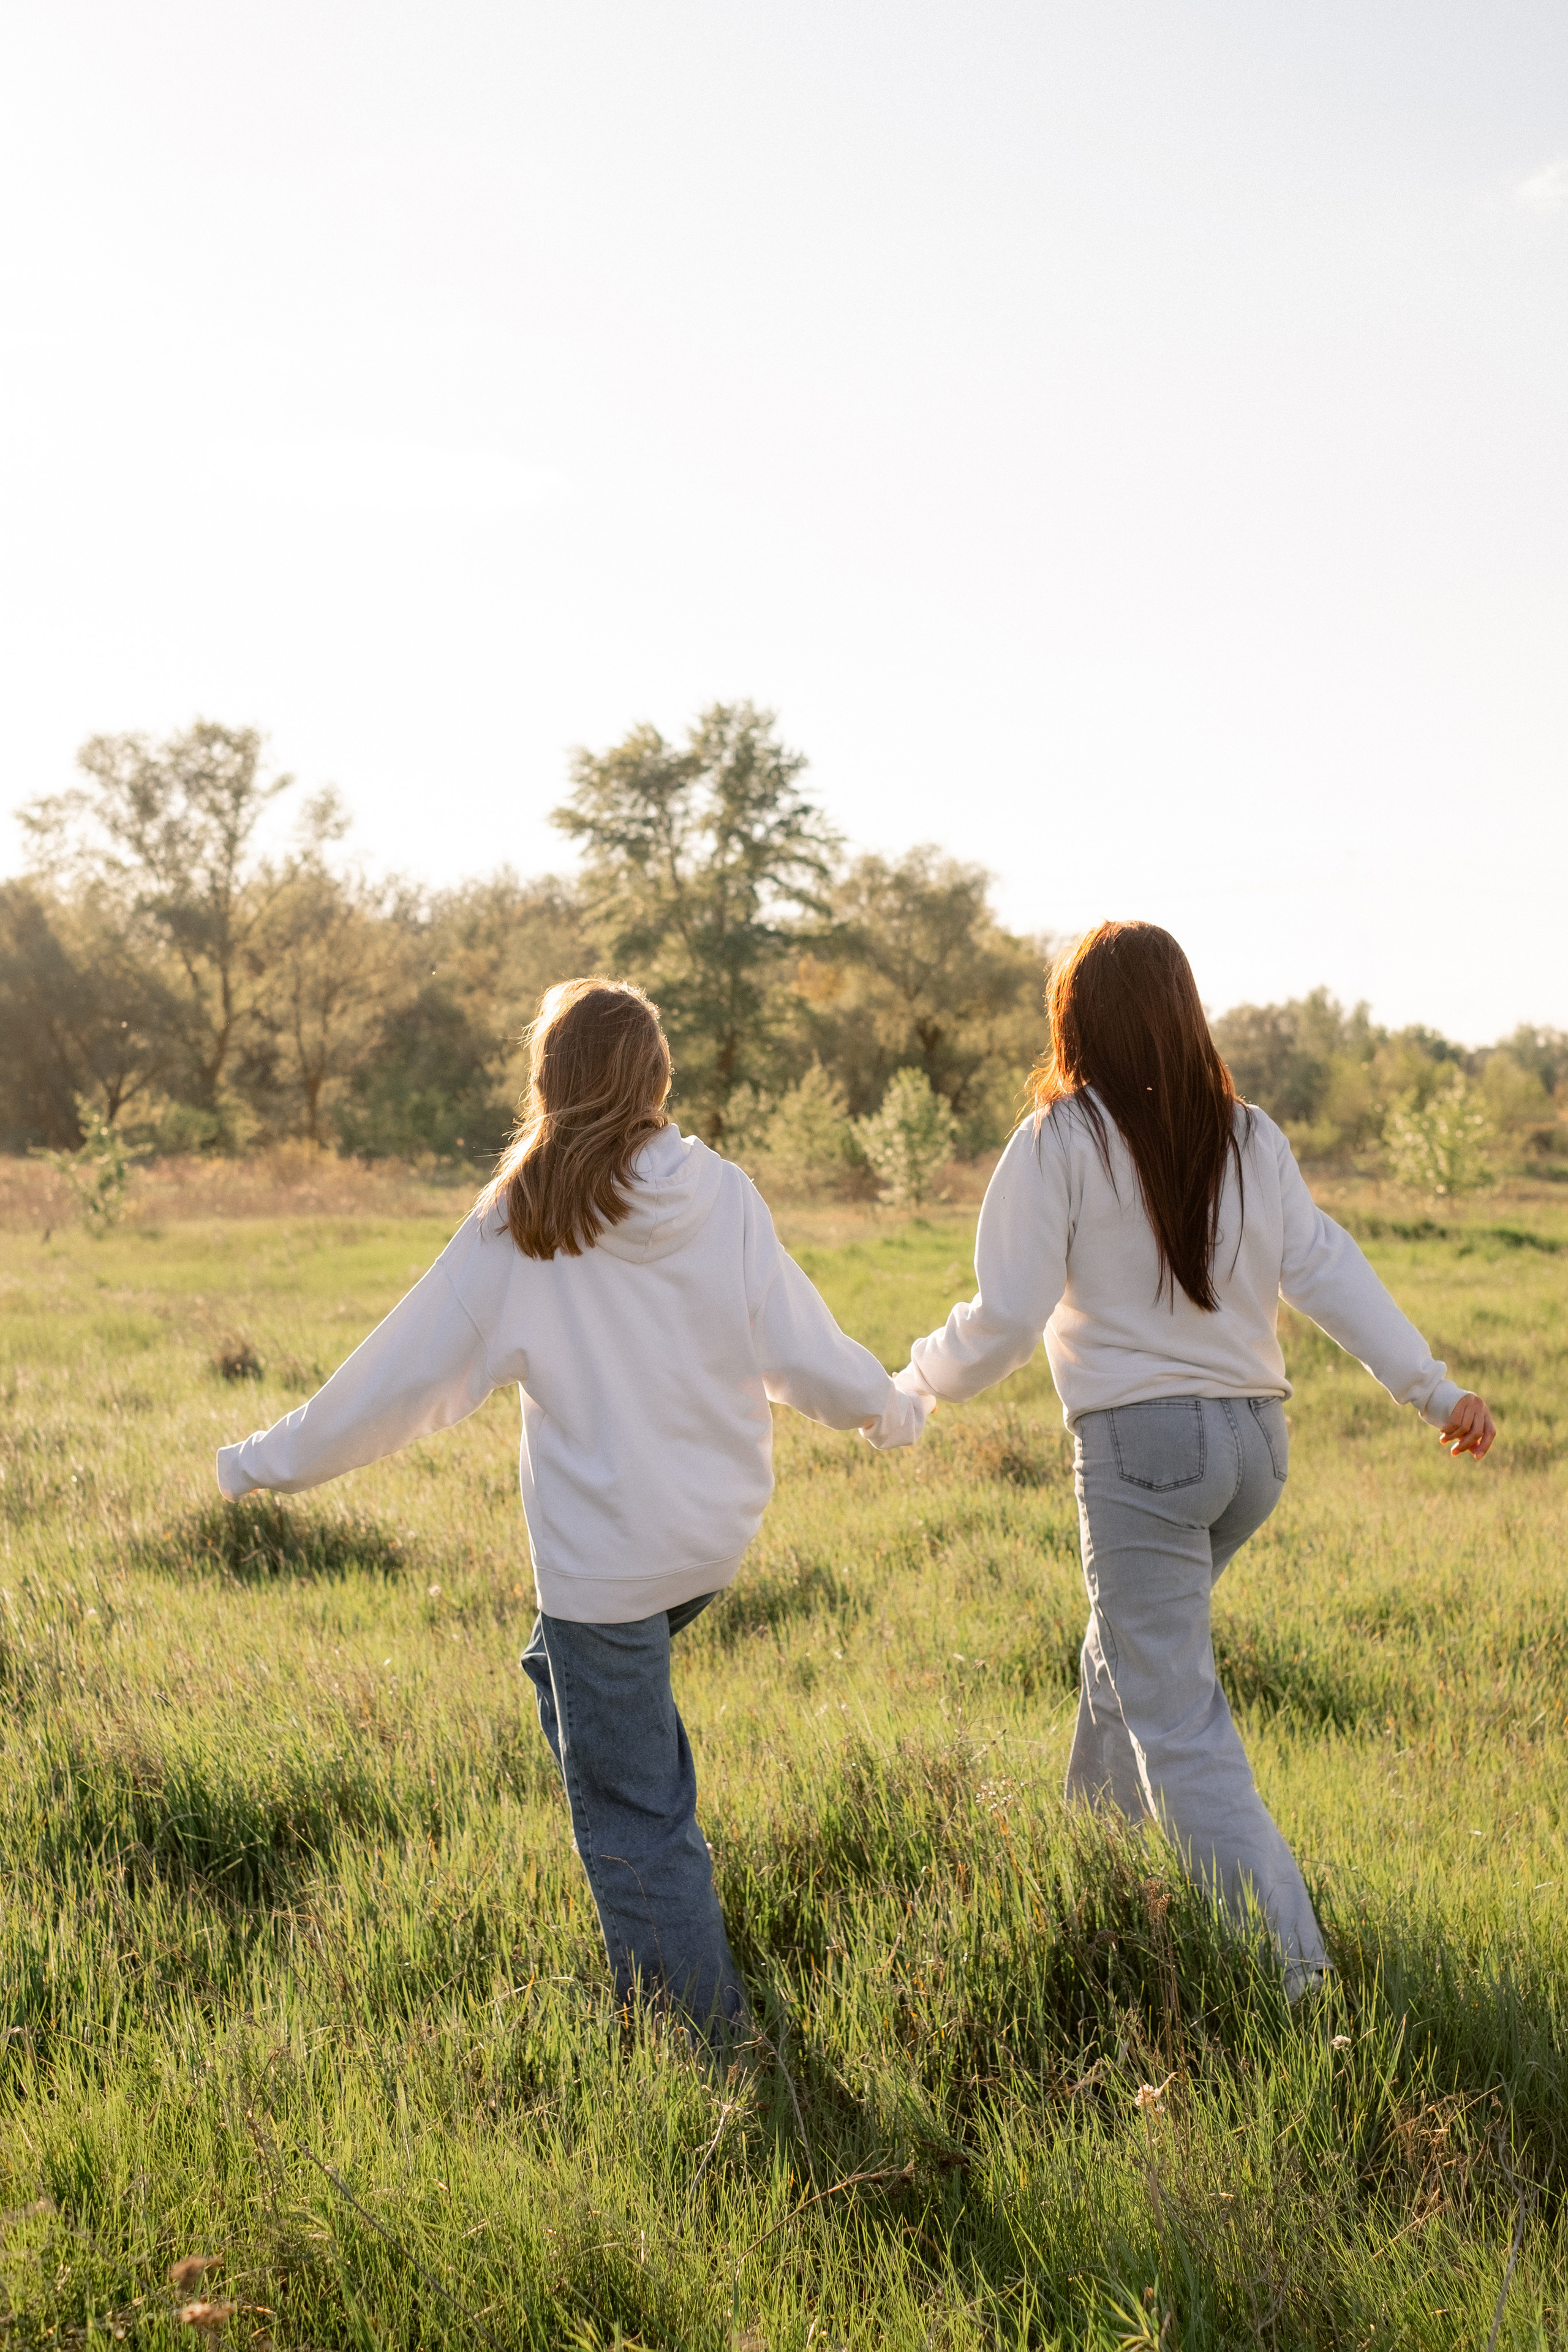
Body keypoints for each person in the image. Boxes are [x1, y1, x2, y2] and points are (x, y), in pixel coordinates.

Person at [216, 978, 929, 2041]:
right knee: (569, 1673)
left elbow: (396, 1378)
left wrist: (259, 1464)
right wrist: (887, 1409)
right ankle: (641, 1816)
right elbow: (802, 1344)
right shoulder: (719, 1193)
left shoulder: (524, 1217)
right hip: (711, 1538)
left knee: (635, 1810)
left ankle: (702, 2039)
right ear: (658, 1081)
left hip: (609, 1566)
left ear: (546, 1082)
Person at [894, 922, 1494, 1996]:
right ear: (1185, 1012)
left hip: (1145, 1455)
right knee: (1123, 1658)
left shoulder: (1062, 1138)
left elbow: (1003, 1317)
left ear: (1074, 1020)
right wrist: (1435, 1389)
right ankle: (1103, 1878)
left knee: (1178, 1716)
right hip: (1254, 1450)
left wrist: (908, 1389)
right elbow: (1327, 1271)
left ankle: (1297, 1976)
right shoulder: (1249, 1134)